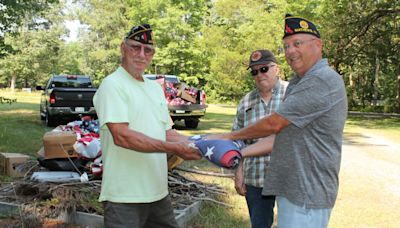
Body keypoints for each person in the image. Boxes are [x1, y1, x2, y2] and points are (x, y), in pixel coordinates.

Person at [209, 14, 348, 228]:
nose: (290, 51)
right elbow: (280, 137)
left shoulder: (321, 79)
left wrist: (227, 137)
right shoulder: (299, 82)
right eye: (286, 46)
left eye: (297, 43)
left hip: (307, 193)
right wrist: (239, 153)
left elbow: (275, 124)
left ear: (318, 45)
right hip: (291, 188)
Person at [93, 24, 201, 228]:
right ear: (122, 48)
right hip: (124, 196)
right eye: (135, 47)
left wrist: (202, 144)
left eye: (148, 50)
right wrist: (175, 149)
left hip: (158, 193)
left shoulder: (153, 88)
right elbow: (122, 136)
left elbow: (167, 133)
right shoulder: (112, 85)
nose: (141, 55)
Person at [232, 49, 287, 228]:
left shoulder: (292, 93)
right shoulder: (246, 102)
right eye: (254, 71)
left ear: (276, 69)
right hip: (255, 178)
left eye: (264, 69)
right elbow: (236, 141)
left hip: (289, 177)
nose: (259, 74)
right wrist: (238, 173)